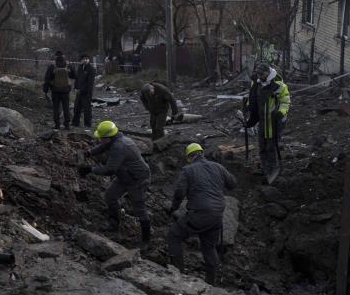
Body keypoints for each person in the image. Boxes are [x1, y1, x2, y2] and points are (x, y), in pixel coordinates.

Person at [167, 143, 237, 286]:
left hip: (199, 214)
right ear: (202, 153)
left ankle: (179, 277)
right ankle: (211, 283)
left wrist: (173, 208)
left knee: (173, 236)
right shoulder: (218, 167)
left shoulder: (188, 170)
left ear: (189, 157)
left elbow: (179, 192)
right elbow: (232, 184)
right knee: (209, 247)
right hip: (217, 215)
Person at [78, 121, 151, 253]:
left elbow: (110, 170)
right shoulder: (114, 139)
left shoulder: (120, 146)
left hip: (137, 179)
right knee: (110, 196)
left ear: (108, 137)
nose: (100, 139)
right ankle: (113, 224)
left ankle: (146, 240)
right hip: (125, 175)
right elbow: (102, 147)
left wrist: (90, 169)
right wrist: (88, 153)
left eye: (101, 137)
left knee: (139, 208)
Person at [244, 62, 291, 183]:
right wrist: (249, 108)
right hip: (263, 121)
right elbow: (253, 99)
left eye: (262, 74)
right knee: (262, 146)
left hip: (275, 121)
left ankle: (273, 169)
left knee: (271, 146)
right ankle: (266, 169)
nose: (260, 76)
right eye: (258, 74)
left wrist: (281, 112)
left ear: (268, 72)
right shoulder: (257, 83)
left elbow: (285, 101)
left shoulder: (278, 85)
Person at [43, 51, 73, 130]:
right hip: (66, 90)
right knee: (66, 108)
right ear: (63, 56)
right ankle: (67, 125)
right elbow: (75, 75)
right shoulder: (68, 65)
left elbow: (47, 79)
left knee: (56, 108)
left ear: (55, 56)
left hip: (55, 90)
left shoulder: (52, 66)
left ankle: (57, 125)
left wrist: (46, 90)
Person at [71, 53, 95, 129]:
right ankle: (75, 123)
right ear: (81, 60)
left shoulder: (91, 69)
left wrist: (82, 90)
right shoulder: (80, 67)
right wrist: (75, 88)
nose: (85, 60)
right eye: (83, 59)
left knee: (87, 109)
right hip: (79, 92)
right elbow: (77, 79)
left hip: (86, 93)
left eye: (86, 59)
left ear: (88, 60)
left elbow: (90, 83)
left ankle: (87, 124)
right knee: (76, 108)